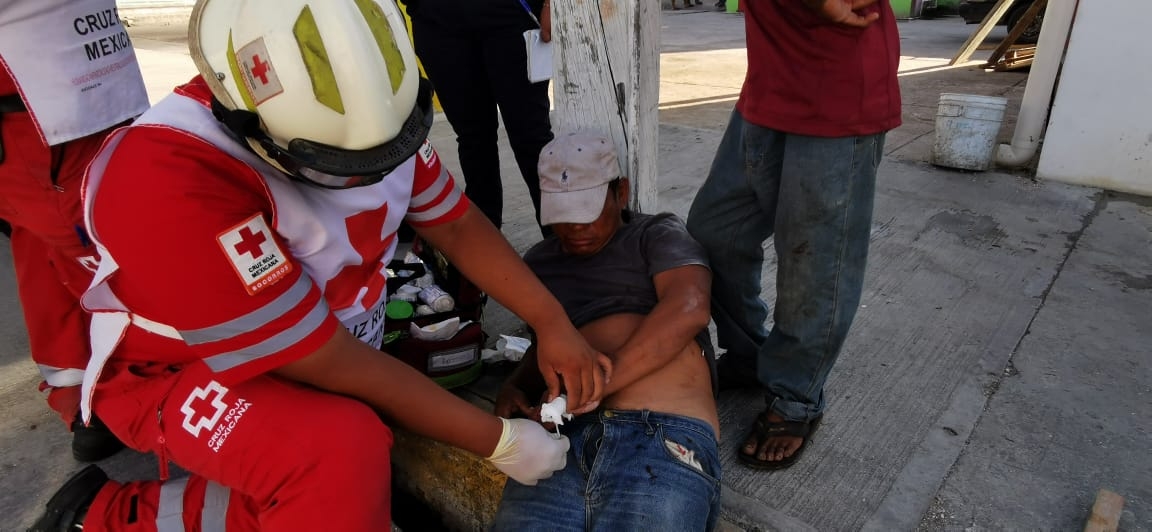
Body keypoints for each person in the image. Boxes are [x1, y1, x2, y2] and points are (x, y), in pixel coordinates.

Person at [27, 1, 612, 530]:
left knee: (351, 473)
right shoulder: (167, 177)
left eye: (389, 154)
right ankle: (104, 519)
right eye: (342, 168)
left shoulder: (373, 116)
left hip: (311, 340)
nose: (371, 178)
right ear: (250, 127)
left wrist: (552, 320)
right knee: (337, 452)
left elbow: (454, 222)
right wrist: (499, 442)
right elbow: (325, 358)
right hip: (176, 370)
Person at [685, 0, 901, 470]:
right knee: (713, 231)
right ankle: (749, 354)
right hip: (771, 79)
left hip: (838, 90)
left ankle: (796, 395)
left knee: (814, 262)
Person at [490, 132, 722, 531]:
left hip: (661, 436)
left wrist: (600, 379)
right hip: (561, 438)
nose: (575, 228)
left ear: (621, 192)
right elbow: (547, 347)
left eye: (588, 210)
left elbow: (690, 308)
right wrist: (516, 386)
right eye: (562, 214)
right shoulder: (541, 263)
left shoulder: (656, 234)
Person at [0, 0, 152, 462]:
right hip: (36, 113)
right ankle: (109, 393)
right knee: (95, 246)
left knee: (48, 246)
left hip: (95, 86)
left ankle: (85, 393)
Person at [402, 0, 555, 234]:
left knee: (531, 137)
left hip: (509, 14)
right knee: (473, 141)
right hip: (437, 20)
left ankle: (560, 243)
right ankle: (485, 248)